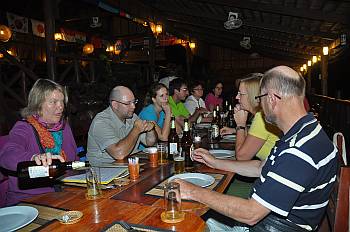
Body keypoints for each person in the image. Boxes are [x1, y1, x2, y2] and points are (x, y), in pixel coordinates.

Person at [175, 66, 338, 231]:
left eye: (260, 98)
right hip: (268, 223)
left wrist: (191, 191)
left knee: (181, 222)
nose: (259, 104)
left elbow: (251, 214)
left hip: (267, 226)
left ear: (272, 98)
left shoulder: (298, 150)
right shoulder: (306, 132)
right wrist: (215, 162)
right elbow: (260, 167)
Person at [0, 79, 78, 206]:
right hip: (28, 201)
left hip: (63, 194)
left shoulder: (64, 127)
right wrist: (34, 157)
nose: (61, 107)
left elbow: (74, 161)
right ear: (38, 105)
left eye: (62, 101)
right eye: (53, 102)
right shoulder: (24, 127)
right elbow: (6, 155)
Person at [87, 86, 157, 164]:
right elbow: (119, 154)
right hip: (105, 171)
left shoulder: (132, 117)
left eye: (134, 102)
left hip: (128, 165)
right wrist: (136, 130)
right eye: (128, 103)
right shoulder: (101, 122)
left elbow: (150, 142)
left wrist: (151, 129)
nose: (133, 106)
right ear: (115, 105)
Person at [220, 73, 281, 161]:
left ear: (253, 96)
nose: (237, 97)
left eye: (241, 94)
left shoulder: (262, 117)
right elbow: (259, 135)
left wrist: (240, 126)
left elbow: (242, 158)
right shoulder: (264, 113)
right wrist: (233, 130)